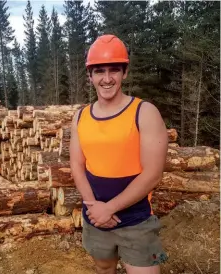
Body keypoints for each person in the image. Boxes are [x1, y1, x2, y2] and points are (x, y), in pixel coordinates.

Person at [70, 34, 169, 274]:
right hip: (95, 217)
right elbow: (77, 165)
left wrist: (110, 208)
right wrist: (94, 207)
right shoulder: (81, 117)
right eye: (99, 71)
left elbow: (153, 174)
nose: (106, 79)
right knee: (104, 268)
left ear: (124, 72)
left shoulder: (144, 112)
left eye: (113, 70)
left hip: (136, 219)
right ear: (89, 76)